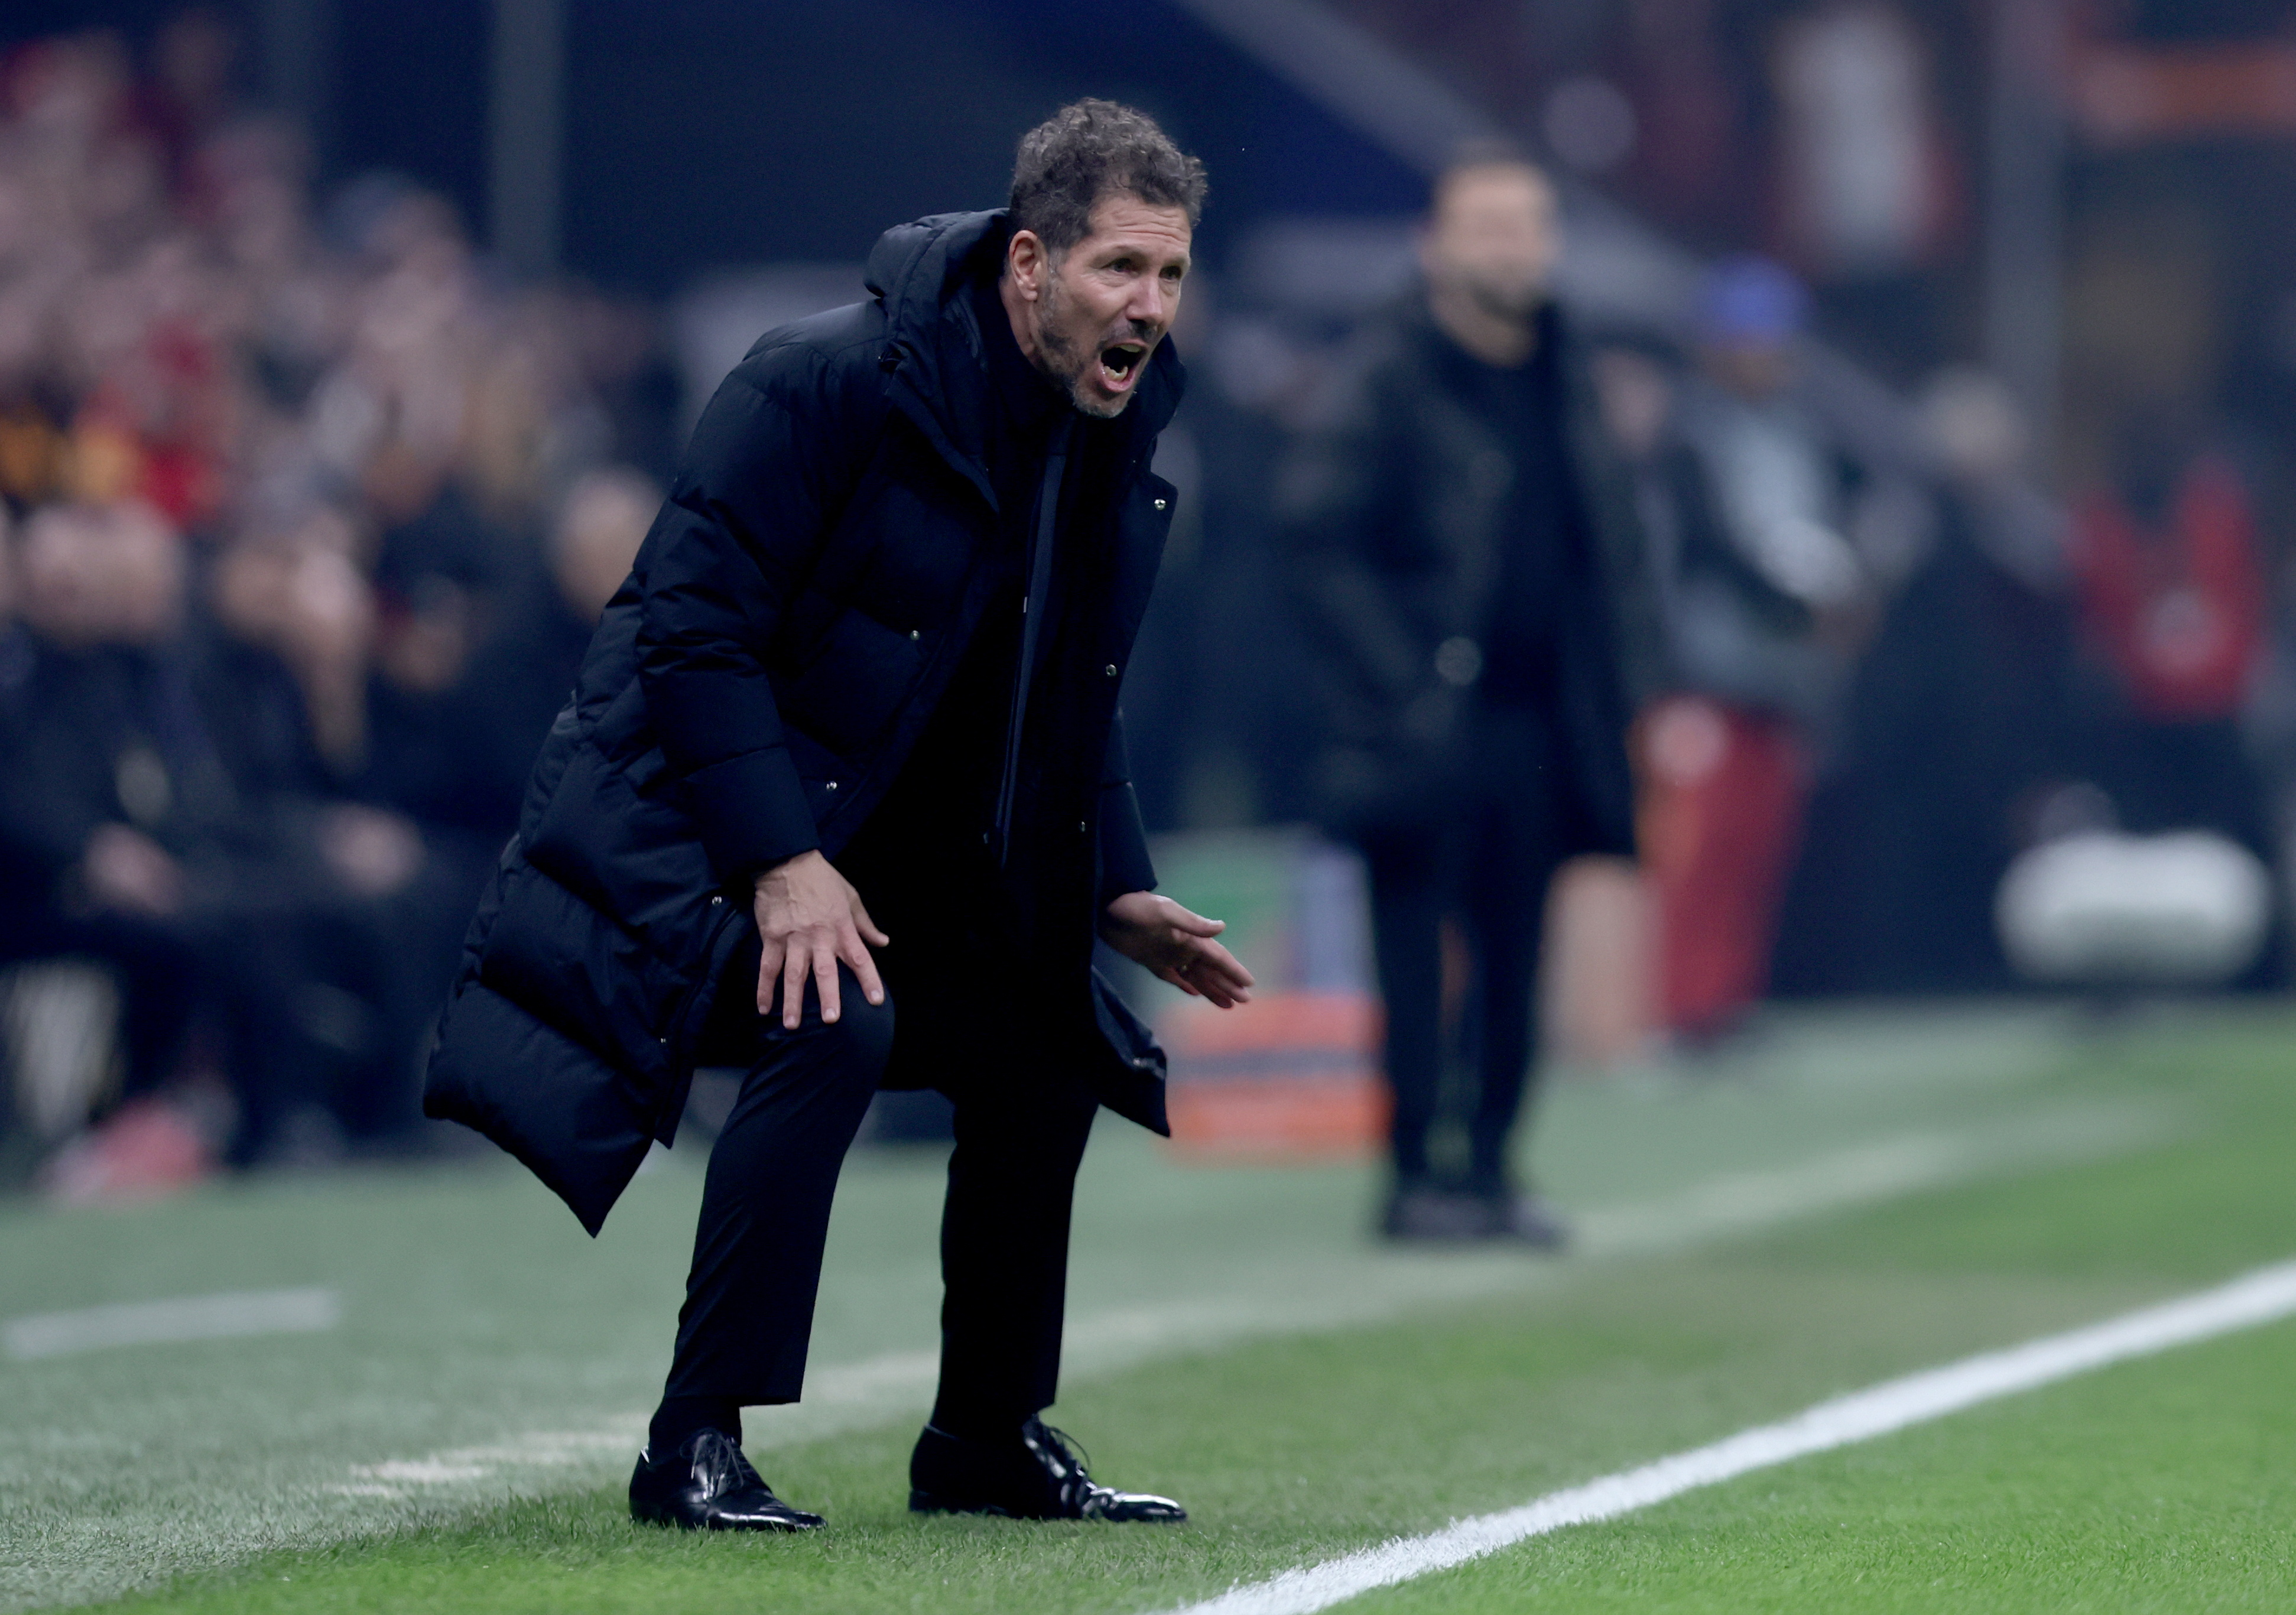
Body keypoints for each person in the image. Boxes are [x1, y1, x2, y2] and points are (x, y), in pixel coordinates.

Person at [423, 101, 1252, 1533]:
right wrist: (781, 864)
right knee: (833, 1011)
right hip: (698, 852)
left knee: (1046, 1028)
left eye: (1170, 273)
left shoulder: (1102, 421)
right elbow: (687, 634)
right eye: (1120, 266)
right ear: (1028, 263)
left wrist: (1113, 880)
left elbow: (1070, 685)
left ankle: (983, 1436)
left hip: (884, 866)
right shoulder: (816, 379)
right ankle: (691, 1441)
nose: (1149, 305)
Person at [1277, 147, 1654, 1244]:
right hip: (1421, 722)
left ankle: (1489, 1167)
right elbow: (1315, 537)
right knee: (1410, 955)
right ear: (1433, 245)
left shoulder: (1566, 368)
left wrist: (1629, 684)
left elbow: (1608, 549)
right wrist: (1406, 671)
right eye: (1485, 225)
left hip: (1541, 716)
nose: (1509, 247)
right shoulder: (1386, 374)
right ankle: (1410, 1176)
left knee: (1514, 950)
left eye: (1526, 224)